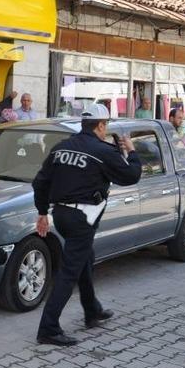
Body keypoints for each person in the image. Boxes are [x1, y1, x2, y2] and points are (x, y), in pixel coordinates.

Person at [32, 103, 141, 346]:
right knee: (69, 271)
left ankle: (92, 310)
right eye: (106, 126)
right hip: (82, 218)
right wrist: (131, 151)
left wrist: (42, 212)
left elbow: (40, 182)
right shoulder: (103, 150)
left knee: (85, 259)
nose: (106, 130)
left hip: (60, 215)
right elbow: (131, 175)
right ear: (101, 126)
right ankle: (48, 329)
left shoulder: (61, 148)